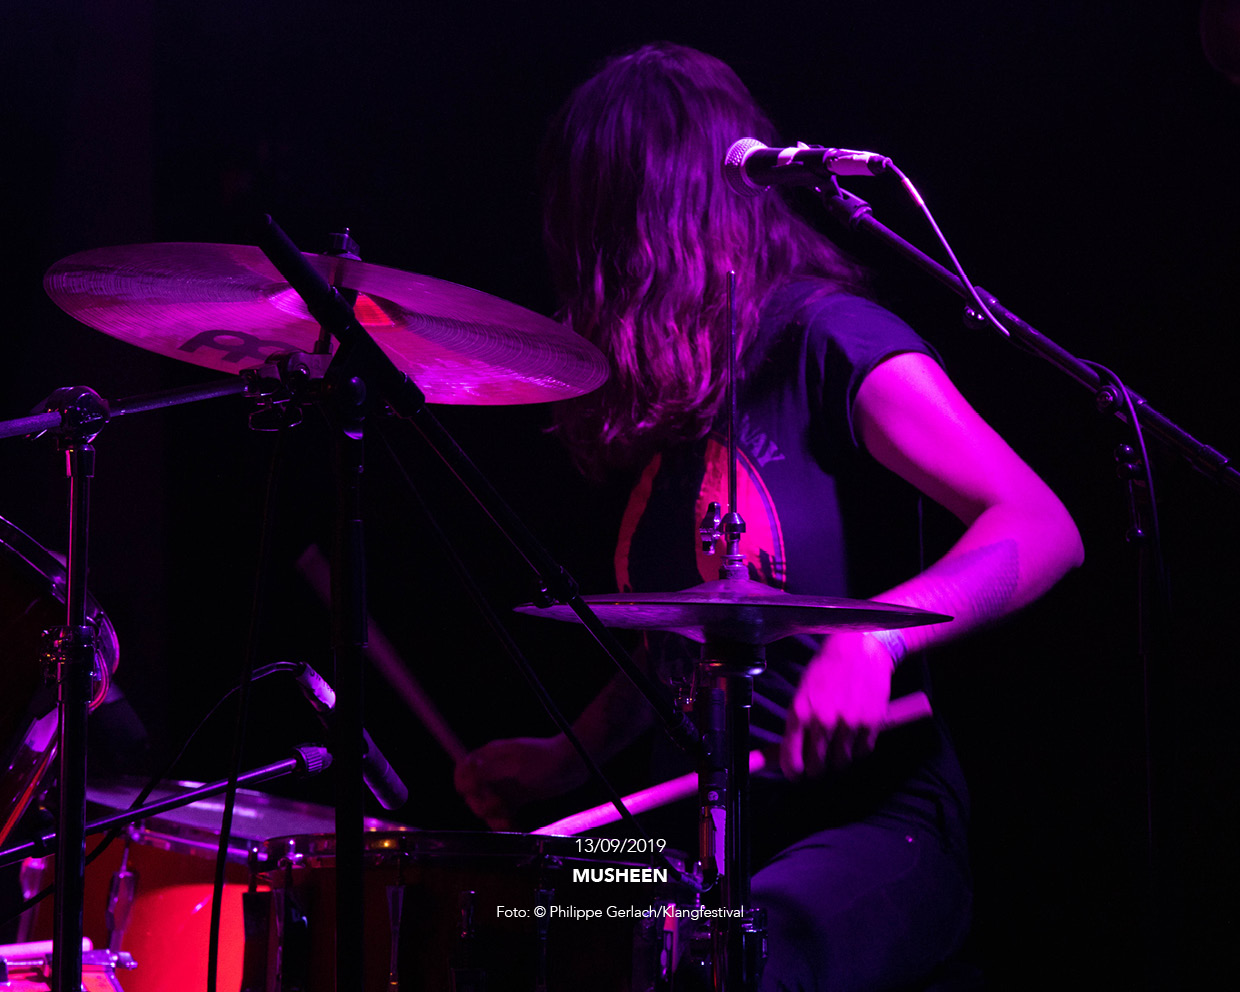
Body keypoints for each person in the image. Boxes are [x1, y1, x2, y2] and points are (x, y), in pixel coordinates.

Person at [455, 42, 1083, 991]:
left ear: (649, 215)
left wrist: (876, 644)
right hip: (699, 839)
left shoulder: (831, 339)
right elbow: (682, 642)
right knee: (510, 915)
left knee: (733, 957)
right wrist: (564, 757)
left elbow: (1038, 522)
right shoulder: (682, 390)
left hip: (868, 825)